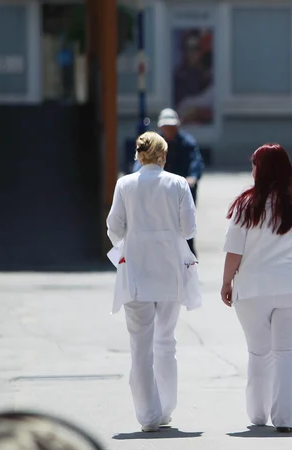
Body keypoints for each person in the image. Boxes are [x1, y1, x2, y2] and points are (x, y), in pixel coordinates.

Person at [221, 144, 292, 433]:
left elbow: (234, 252)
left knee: (259, 352)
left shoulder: (246, 205)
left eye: (254, 164)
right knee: (289, 352)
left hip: (253, 290)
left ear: (261, 169)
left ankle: (258, 413)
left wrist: (226, 281)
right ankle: (285, 418)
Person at [107, 131, 201, 432]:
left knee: (140, 346)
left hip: (136, 270)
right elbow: (189, 228)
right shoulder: (177, 184)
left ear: (138, 155)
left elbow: (114, 227)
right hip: (170, 270)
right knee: (166, 341)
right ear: (163, 155)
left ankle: (148, 414)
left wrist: (132, 240)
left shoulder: (125, 184)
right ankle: (165, 408)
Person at [135, 108, 205, 255]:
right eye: (166, 127)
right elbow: (140, 159)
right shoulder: (152, 143)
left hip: (183, 188)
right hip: (158, 189)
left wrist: (192, 176)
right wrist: (138, 176)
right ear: (161, 127)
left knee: (185, 222)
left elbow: (196, 161)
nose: (169, 130)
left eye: (172, 126)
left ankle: (188, 254)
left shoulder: (187, 143)